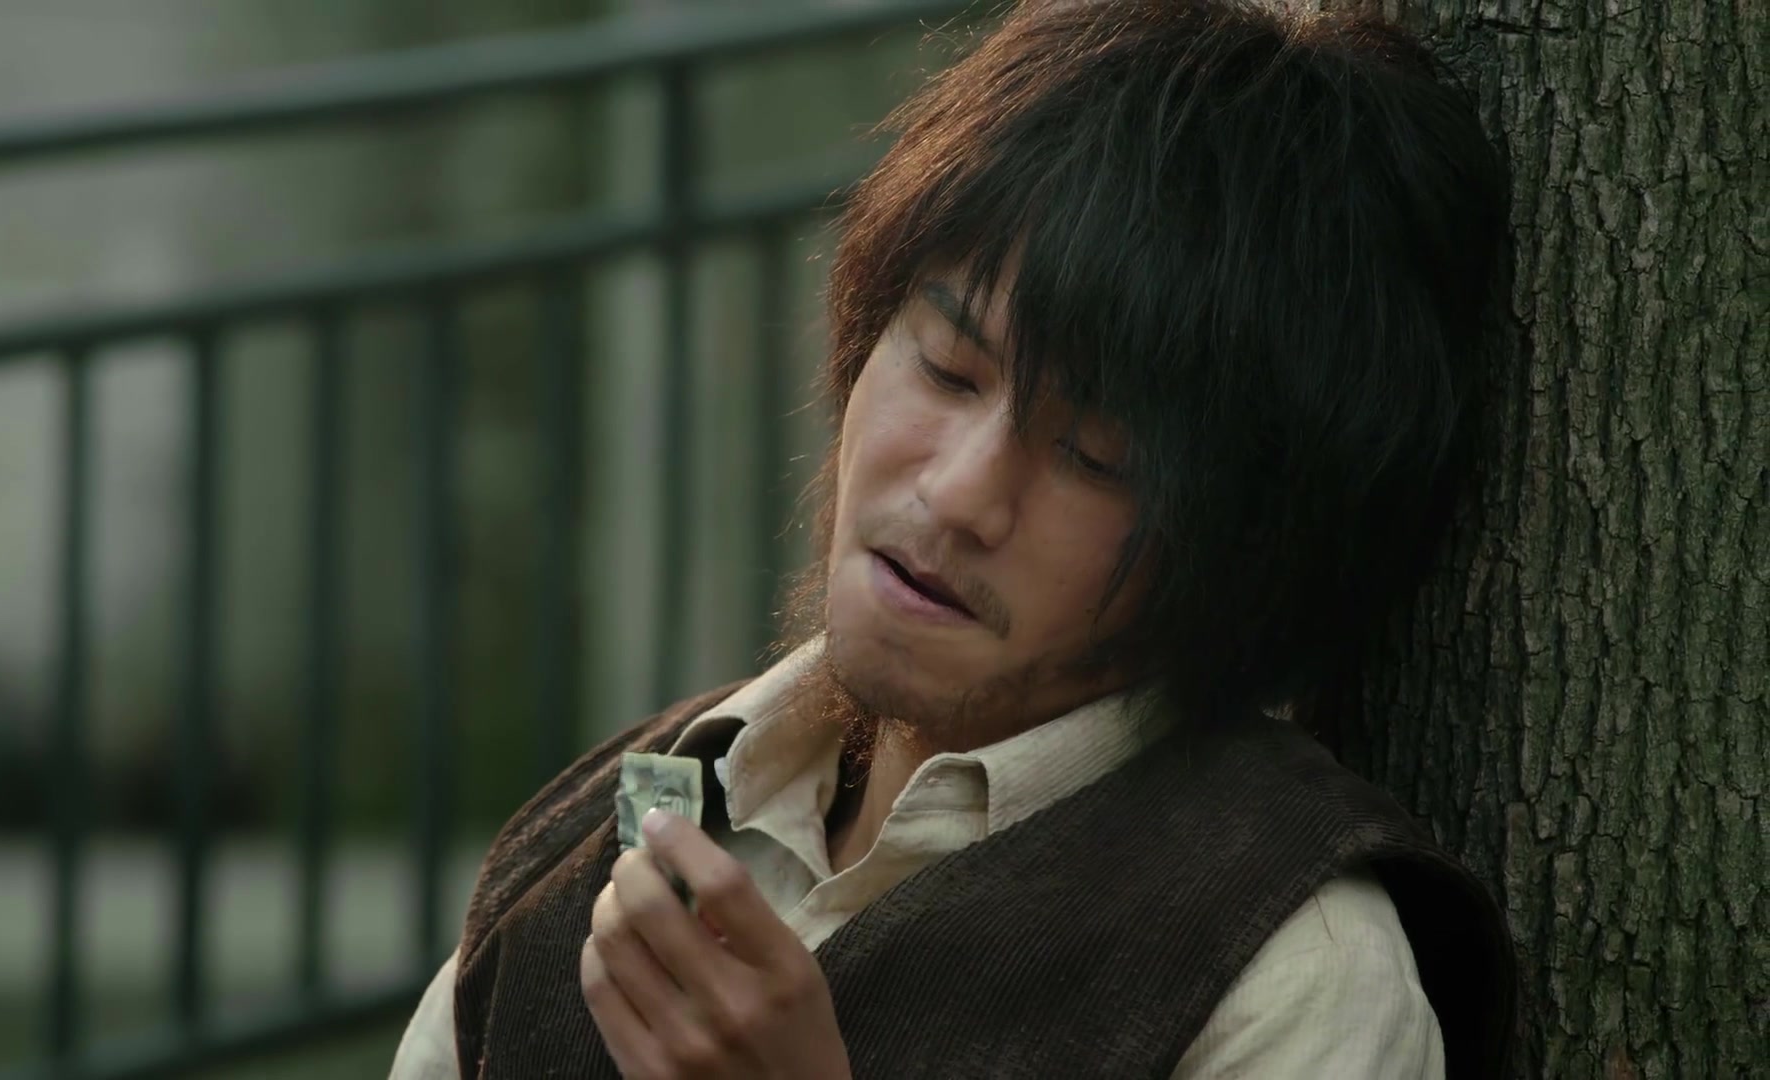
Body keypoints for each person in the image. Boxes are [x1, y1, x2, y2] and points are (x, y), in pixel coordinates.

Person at [391, 0, 1517, 1076]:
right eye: (945, 368)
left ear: (1249, 543)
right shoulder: (611, 823)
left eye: (1094, 456)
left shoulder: (1288, 977)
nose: (959, 492)